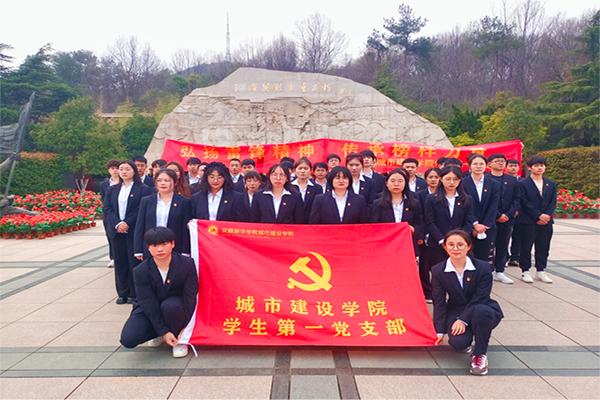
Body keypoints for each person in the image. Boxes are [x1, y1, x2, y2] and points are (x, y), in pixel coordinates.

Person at [432, 229, 503, 376]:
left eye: (460, 245)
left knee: (480, 312)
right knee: (458, 342)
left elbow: (480, 298)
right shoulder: (438, 270)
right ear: (445, 247)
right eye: (451, 245)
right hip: (456, 309)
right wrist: (440, 331)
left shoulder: (483, 267)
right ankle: (467, 339)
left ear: (468, 246)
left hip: (483, 308)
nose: (455, 248)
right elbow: (439, 301)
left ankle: (480, 355)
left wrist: (462, 320)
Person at [120, 227, 198, 358]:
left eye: (164, 244)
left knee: (170, 306)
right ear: (148, 248)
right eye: (154, 246)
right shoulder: (140, 271)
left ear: (173, 244)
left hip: (175, 307)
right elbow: (148, 303)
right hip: (150, 307)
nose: (160, 249)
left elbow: (190, 296)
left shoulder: (186, 264)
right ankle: (161, 333)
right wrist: (163, 331)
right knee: (128, 339)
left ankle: (180, 339)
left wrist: (187, 328)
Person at [103, 160, 154, 304]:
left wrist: (127, 223)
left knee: (134, 262)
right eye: (121, 169)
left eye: (127, 169)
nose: (124, 172)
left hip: (133, 231)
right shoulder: (112, 189)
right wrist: (118, 223)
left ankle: (134, 293)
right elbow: (107, 209)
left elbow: (140, 209)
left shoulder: (143, 189)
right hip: (116, 231)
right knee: (120, 262)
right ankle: (122, 293)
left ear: (134, 171)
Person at [134, 168, 192, 260]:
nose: (162, 183)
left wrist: (185, 251)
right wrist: (138, 250)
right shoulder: (146, 201)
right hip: (152, 246)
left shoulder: (184, 202)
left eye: (166, 180)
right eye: (159, 180)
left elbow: (185, 230)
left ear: (175, 182)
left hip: (175, 247)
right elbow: (140, 226)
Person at [424, 166, 476, 267]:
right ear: (441, 179)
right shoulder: (432, 199)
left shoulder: (467, 199)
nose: (452, 182)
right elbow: (430, 222)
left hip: (460, 245)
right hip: (438, 244)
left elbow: (468, 222)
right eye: (448, 179)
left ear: (460, 180)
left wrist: (460, 240)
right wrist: (443, 241)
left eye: (455, 179)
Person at [517, 156, 557, 284]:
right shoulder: (522, 183)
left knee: (543, 246)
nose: (539, 168)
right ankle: (525, 270)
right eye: (536, 165)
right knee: (526, 246)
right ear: (530, 168)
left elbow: (553, 201)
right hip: (528, 220)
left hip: (546, 221)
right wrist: (538, 215)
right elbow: (523, 202)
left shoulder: (550, 184)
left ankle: (541, 270)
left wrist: (547, 215)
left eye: (542, 165)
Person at [370, 168, 423, 256]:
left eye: (400, 181)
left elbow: (419, 224)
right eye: (393, 181)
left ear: (405, 183)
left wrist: (413, 229)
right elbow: (375, 226)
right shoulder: (378, 204)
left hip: (407, 244)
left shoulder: (414, 203)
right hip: (385, 245)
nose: (396, 184)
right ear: (386, 183)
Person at [461, 154, 500, 263]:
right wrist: (474, 224)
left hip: (486, 226)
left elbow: (493, 205)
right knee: (467, 255)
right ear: (470, 166)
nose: (478, 166)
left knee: (484, 257)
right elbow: (464, 205)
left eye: (481, 164)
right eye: (475, 164)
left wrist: (484, 226)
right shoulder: (463, 183)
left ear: (486, 165)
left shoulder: (493, 184)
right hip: (468, 225)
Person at [487, 154, 520, 284]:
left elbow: (516, 198)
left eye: (502, 161)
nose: (500, 163)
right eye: (497, 161)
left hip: (507, 219)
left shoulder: (511, 180)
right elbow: (486, 201)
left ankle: (500, 271)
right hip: (490, 219)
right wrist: (497, 215)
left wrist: (509, 214)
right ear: (489, 164)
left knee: (503, 245)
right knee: (488, 246)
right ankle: (488, 271)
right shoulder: (486, 179)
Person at [415, 167, 441, 302]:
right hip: (425, 234)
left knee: (438, 264)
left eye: (436, 177)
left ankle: (438, 289)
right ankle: (426, 290)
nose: (433, 180)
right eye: (430, 177)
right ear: (425, 179)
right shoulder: (419, 195)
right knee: (424, 264)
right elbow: (419, 216)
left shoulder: (444, 194)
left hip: (440, 233)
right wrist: (422, 234)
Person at [100, 159, 121, 268]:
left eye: (117, 168)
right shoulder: (104, 185)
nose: (115, 171)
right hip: (109, 214)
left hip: (121, 213)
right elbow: (105, 200)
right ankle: (113, 257)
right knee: (110, 236)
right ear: (109, 170)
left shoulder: (123, 183)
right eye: (113, 168)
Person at [292, 158, 323, 223]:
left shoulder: (317, 188)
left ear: (310, 171)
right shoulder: (289, 187)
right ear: (295, 170)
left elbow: (318, 209)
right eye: (300, 168)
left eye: (306, 168)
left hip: (311, 223)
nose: (303, 171)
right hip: (293, 224)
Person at [506, 159, 522, 267]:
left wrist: (518, 209)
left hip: (520, 214)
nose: (513, 168)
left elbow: (522, 198)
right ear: (506, 167)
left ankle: (515, 257)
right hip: (507, 213)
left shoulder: (523, 181)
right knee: (505, 237)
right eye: (511, 166)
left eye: (515, 166)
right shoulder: (502, 180)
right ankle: (505, 257)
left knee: (518, 236)